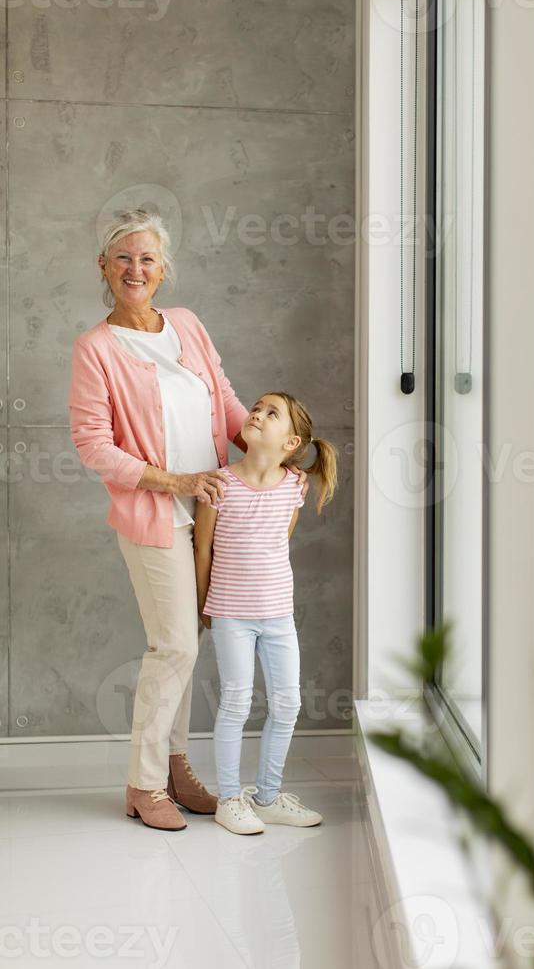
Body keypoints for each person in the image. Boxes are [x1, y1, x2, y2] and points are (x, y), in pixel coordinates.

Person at [67, 209, 309, 833]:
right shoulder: (96, 349)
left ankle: (175, 767)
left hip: (212, 514)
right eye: (122, 257)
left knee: (189, 644)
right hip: (154, 513)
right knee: (173, 642)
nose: (135, 269)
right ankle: (144, 784)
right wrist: (173, 481)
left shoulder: (188, 327)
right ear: (103, 266)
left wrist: (274, 454)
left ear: (163, 270)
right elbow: (93, 443)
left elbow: (225, 402)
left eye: (147, 258)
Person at [194, 391, 338, 834]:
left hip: (278, 616)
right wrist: (204, 608)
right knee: (236, 701)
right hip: (231, 615)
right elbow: (203, 549)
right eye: (256, 407)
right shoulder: (219, 483)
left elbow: (280, 543)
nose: (256, 413)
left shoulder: (294, 485)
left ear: (290, 442)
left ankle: (269, 796)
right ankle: (230, 799)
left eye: (270, 413)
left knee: (288, 702)